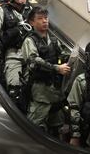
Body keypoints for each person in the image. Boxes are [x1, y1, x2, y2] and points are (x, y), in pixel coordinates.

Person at [21, 7, 71, 137]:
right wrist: (56, 68)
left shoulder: (53, 39)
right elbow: (33, 61)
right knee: (34, 130)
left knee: (58, 128)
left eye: (46, 18)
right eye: (40, 18)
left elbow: (62, 54)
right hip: (40, 93)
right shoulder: (30, 40)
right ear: (32, 22)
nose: (44, 21)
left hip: (55, 93)